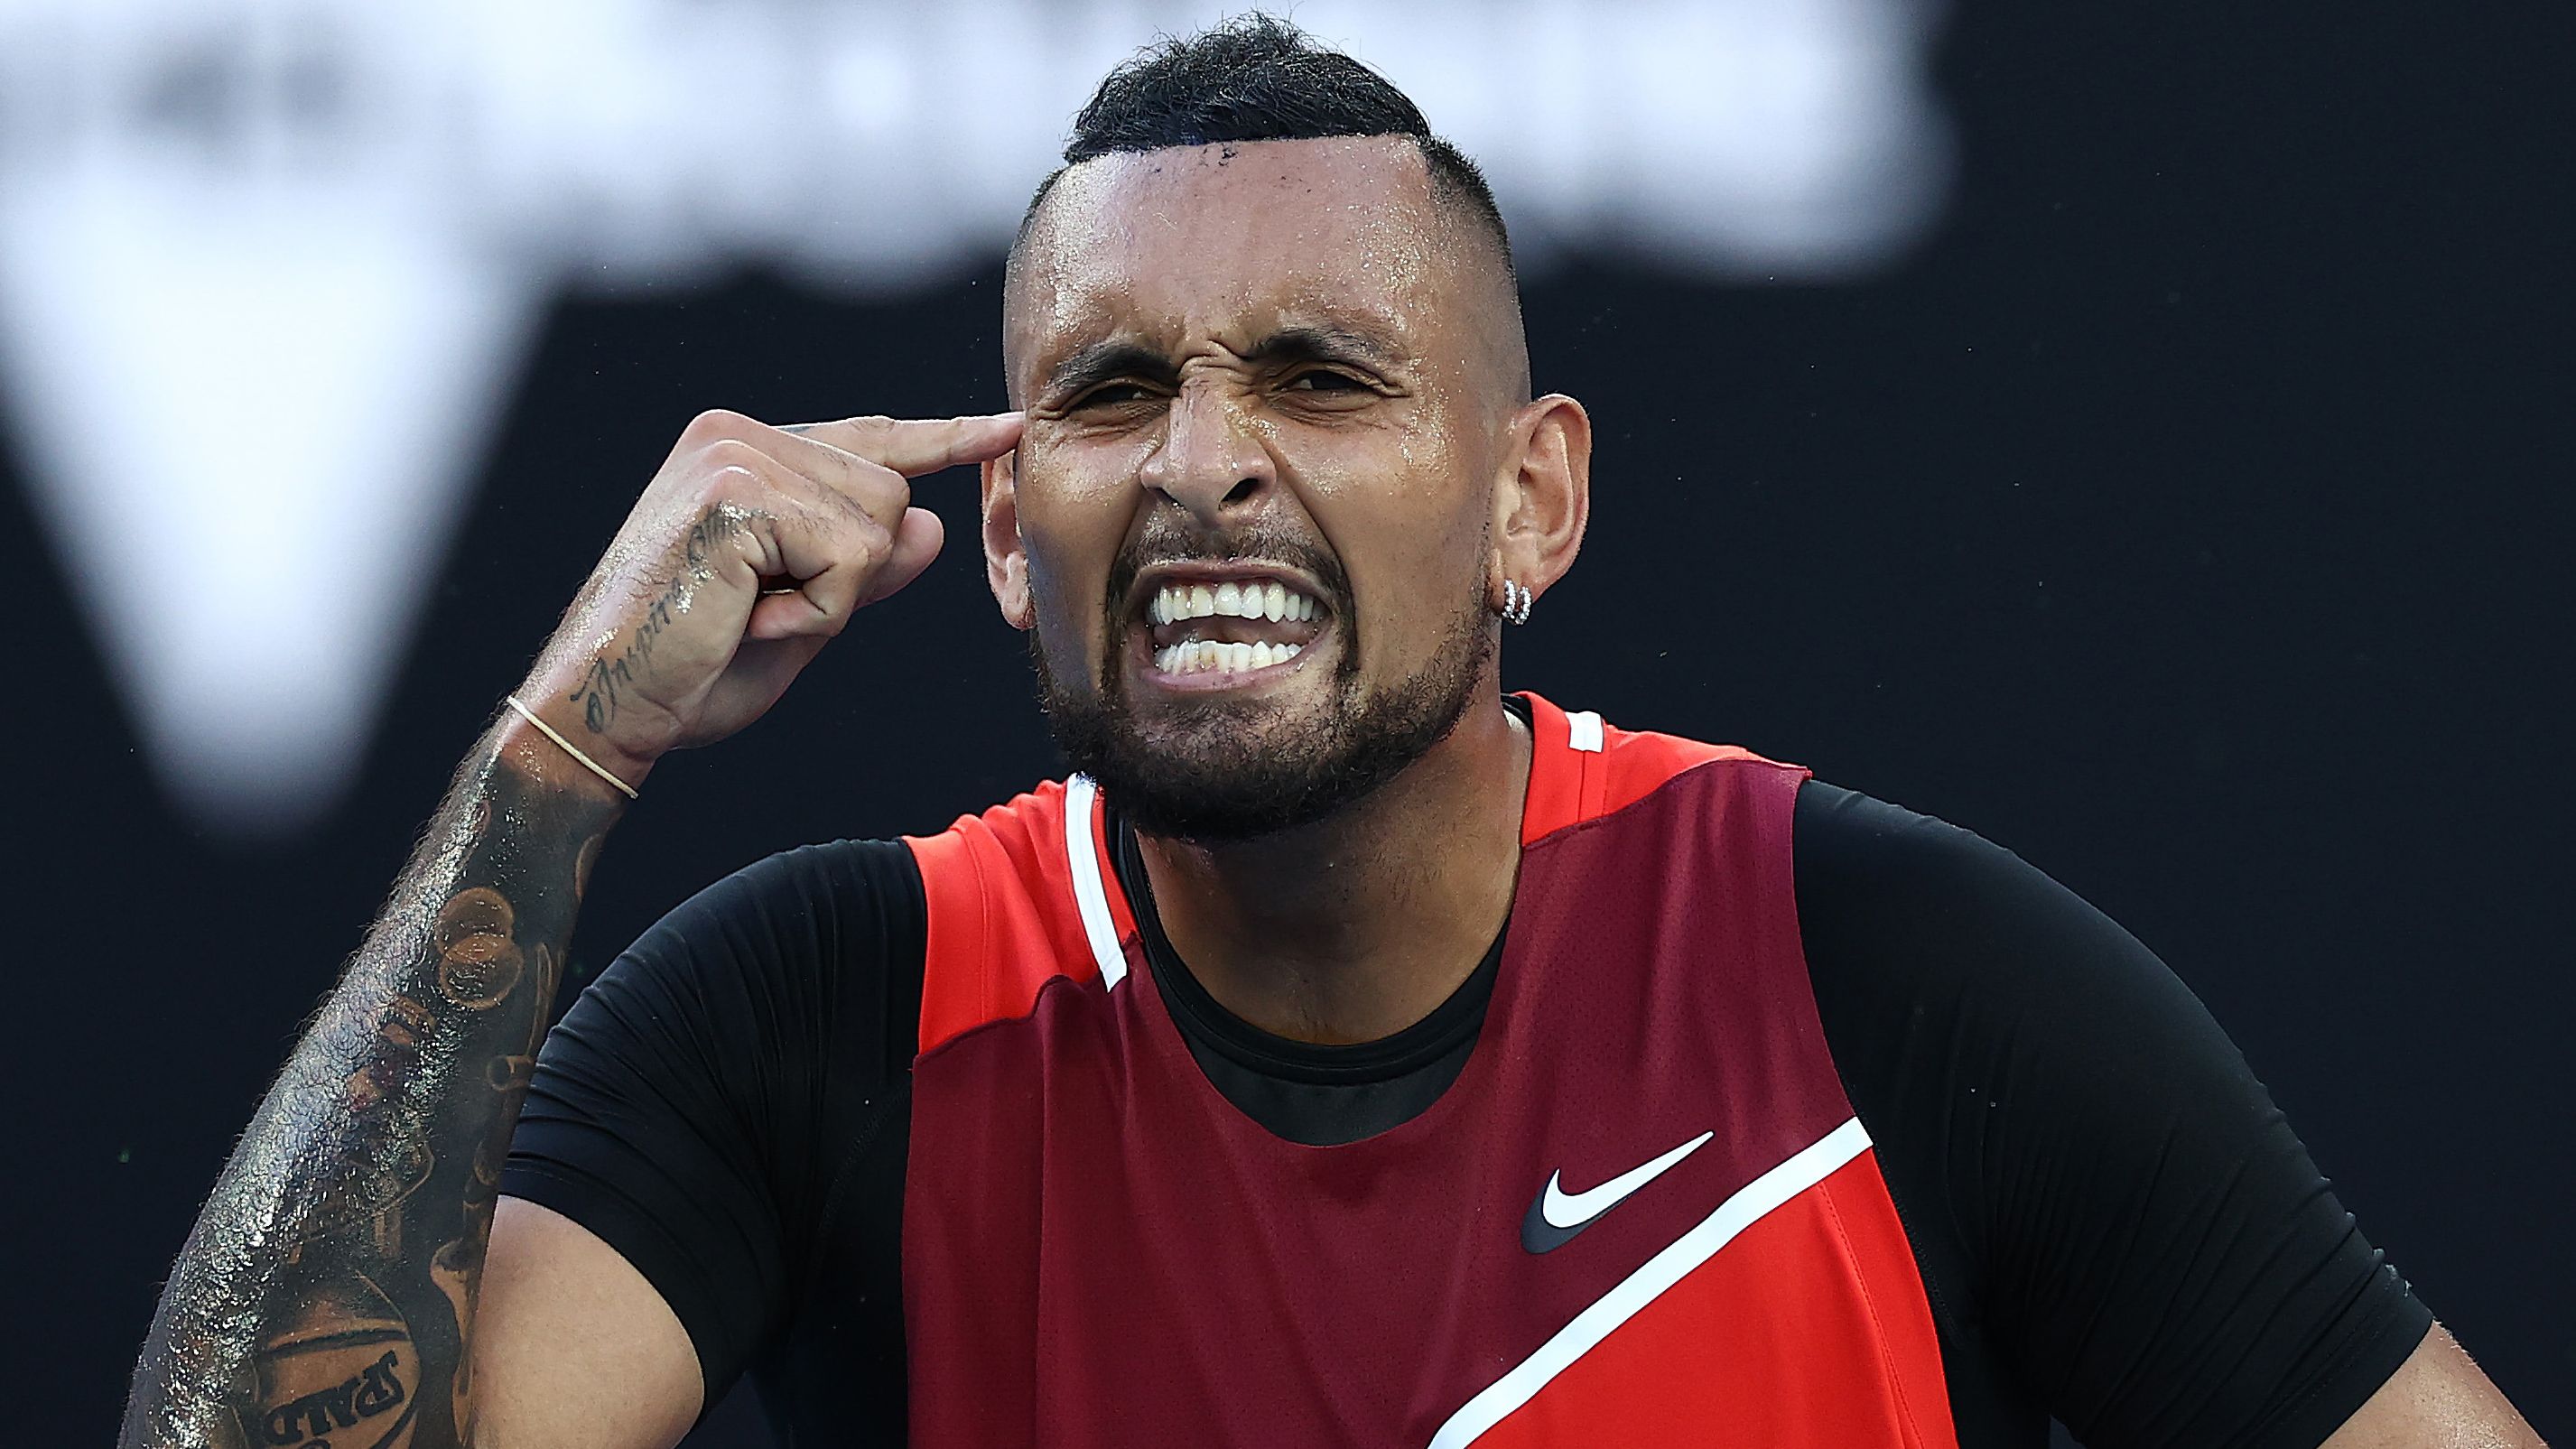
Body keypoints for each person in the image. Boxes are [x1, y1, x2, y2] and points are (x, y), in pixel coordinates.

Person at [122, 15, 2543, 1449]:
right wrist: (560, 749)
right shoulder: (829, 1020)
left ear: (1533, 499)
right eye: (1107, 388)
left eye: (1317, 374)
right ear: (1001, 528)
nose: (1199, 460)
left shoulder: (1878, 976)